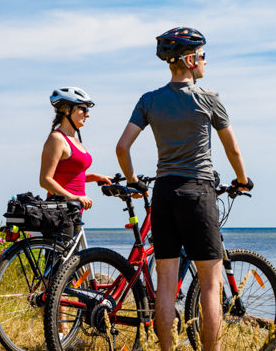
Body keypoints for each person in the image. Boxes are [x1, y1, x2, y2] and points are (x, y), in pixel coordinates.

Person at [116, 27, 253, 351]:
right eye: (203, 56)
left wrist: (134, 179)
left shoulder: (149, 100)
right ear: (190, 59)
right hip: (197, 192)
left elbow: (122, 147)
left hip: (164, 193)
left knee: (165, 284)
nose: (205, 62)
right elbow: (233, 150)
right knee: (210, 285)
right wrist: (242, 179)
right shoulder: (209, 99)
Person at [40, 87, 112, 230]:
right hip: (60, 211)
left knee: (73, 253)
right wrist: (72, 197)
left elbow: (69, 174)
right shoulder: (57, 138)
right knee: (63, 252)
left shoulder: (74, 139)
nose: (88, 115)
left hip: (74, 209)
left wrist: (97, 177)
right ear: (67, 110)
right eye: (83, 109)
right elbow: (45, 180)